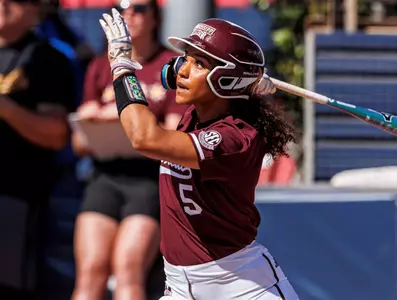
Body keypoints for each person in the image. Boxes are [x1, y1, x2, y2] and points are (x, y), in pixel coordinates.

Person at [99, 8, 300, 299]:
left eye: (199, 64)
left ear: (226, 80)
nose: (181, 69)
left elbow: (144, 138)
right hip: (180, 287)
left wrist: (121, 66)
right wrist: (246, 83)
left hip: (241, 287)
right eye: (186, 59)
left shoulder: (236, 138)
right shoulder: (196, 114)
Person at [71, 1, 188, 300]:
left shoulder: (171, 65)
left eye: (139, 8)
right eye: (120, 9)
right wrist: (89, 122)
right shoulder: (99, 66)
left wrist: (121, 115)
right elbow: (79, 144)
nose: (128, 16)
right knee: (91, 270)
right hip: (105, 174)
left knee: (128, 267)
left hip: (149, 178)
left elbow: (176, 136)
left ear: (155, 17)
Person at [0, 0, 76, 298]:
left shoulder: (48, 58)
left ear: (36, 9)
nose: (4, 4)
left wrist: (6, 109)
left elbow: (57, 135)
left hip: (19, 196)